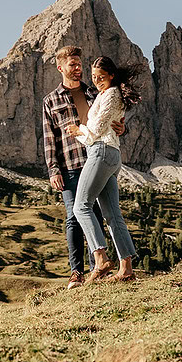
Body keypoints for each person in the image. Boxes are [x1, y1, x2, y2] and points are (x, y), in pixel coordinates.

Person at [42, 46, 125, 290]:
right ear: (61, 68)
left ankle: (96, 268)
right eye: (73, 65)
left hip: (94, 159)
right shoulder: (51, 100)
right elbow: (50, 139)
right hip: (68, 165)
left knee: (96, 214)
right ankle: (76, 273)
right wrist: (53, 170)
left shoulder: (94, 91)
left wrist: (122, 127)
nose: (78, 69)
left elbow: (108, 119)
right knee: (73, 216)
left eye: (79, 64)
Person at [65, 56, 142, 284]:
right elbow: (107, 127)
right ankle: (126, 268)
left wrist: (77, 130)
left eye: (101, 77)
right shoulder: (109, 93)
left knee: (80, 206)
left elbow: (96, 130)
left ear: (111, 75)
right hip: (110, 154)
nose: (97, 81)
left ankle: (100, 258)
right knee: (112, 215)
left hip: (101, 152)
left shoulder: (110, 94)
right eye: (95, 77)